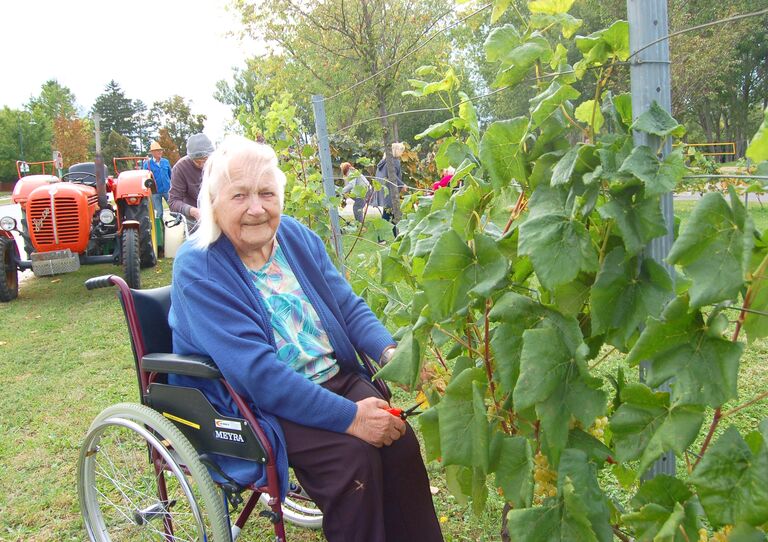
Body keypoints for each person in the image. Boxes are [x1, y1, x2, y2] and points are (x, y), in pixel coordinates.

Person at [168, 135, 443, 542]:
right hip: (259, 405)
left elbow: (347, 307)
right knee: (354, 462)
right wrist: (351, 419)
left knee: (399, 445)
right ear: (212, 203)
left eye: (266, 193)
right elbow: (258, 375)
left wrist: (392, 353)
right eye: (239, 195)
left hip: (333, 377)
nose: (256, 208)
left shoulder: (295, 237)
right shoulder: (200, 267)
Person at [169, 133, 215, 231]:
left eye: (206, 160)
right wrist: (193, 211)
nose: (203, 165)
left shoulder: (221, 164)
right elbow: (173, 202)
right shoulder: (181, 168)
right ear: (191, 158)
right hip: (195, 221)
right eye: (198, 162)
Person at [372, 142, 406, 240]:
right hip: (390, 193)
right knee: (392, 216)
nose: (402, 153)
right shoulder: (393, 162)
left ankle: (394, 237)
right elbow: (393, 177)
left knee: (388, 216)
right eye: (401, 150)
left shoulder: (383, 161)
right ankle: (396, 237)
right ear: (396, 151)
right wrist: (402, 185)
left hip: (383, 192)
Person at [142, 141, 172, 219]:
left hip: (167, 190)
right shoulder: (147, 164)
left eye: (160, 150)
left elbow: (170, 175)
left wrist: (172, 186)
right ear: (152, 152)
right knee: (159, 213)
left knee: (173, 209)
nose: (160, 152)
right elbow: (145, 178)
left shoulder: (165, 162)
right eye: (157, 150)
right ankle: (160, 229)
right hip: (155, 192)